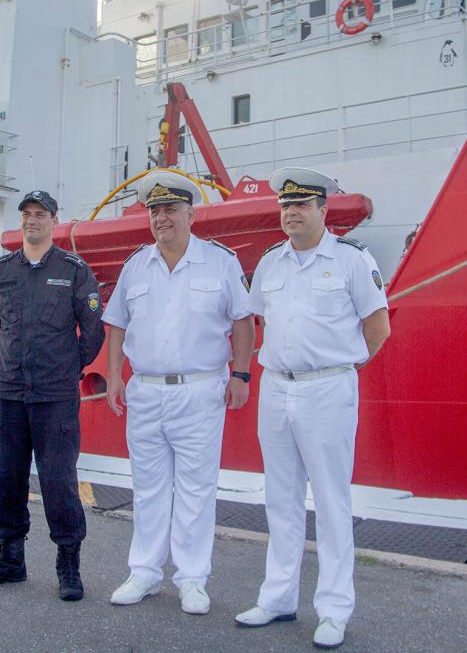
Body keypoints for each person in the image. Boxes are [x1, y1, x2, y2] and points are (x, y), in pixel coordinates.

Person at [236, 168, 390, 649]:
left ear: (323, 210)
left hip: (327, 390)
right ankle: (278, 597)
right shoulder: (270, 263)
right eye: (286, 206)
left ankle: (334, 608)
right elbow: (259, 316)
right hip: (277, 389)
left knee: (330, 501)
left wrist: (342, 369)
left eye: (301, 205)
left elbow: (378, 327)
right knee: (280, 499)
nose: (291, 213)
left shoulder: (350, 260)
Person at [102, 170, 254, 615]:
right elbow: (116, 326)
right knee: (147, 487)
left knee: (195, 488)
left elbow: (243, 322)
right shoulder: (136, 265)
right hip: (146, 392)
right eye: (155, 210)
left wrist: (240, 376)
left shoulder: (220, 262)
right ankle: (145, 573)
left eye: (170, 209)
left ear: (191, 213)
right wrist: (114, 378)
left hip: (200, 390)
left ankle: (192, 579)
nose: (161, 217)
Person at [0, 189, 105, 601]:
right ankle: (10, 559)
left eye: (40, 214)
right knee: (7, 478)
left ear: (53, 221)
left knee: (59, 481)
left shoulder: (74, 270)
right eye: (26, 214)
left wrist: (68, 369)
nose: (32, 220)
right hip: (9, 393)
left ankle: (68, 564)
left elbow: (93, 330)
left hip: (55, 396)